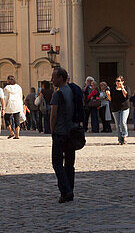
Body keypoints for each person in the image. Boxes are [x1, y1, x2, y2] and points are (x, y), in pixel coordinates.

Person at [48, 66, 83, 204]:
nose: (52, 80)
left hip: (61, 132)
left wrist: (52, 130)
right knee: (70, 163)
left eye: (54, 77)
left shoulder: (57, 94)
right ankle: (70, 190)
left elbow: (54, 114)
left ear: (60, 78)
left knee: (57, 163)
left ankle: (65, 191)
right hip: (73, 131)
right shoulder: (73, 90)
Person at [109, 76, 130, 144]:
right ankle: (120, 139)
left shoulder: (126, 88)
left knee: (123, 122)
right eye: (116, 81)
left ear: (122, 81)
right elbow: (110, 99)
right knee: (118, 124)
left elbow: (126, 96)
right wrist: (108, 95)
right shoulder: (112, 89)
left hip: (124, 108)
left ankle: (124, 136)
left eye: (119, 81)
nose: (117, 82)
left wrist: (122, 88)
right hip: (115, 108)